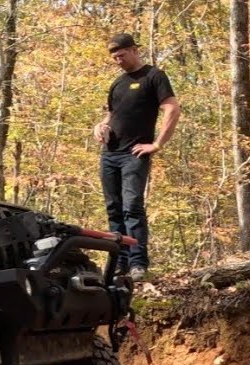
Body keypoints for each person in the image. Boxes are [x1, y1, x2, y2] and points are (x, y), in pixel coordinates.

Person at [92, 32, 181, 281]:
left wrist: (157, 144)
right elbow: (111, 115)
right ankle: (118, 264)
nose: (118, 60)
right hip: (110, 154)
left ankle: (137, 263)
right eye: (114, 57)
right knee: (114, 209)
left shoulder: (154, 76)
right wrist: (99, 126)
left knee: (132, 207)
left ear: (134, 50)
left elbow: (172, 109)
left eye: (121, 55)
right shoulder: (118, 84)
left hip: (134, 154)